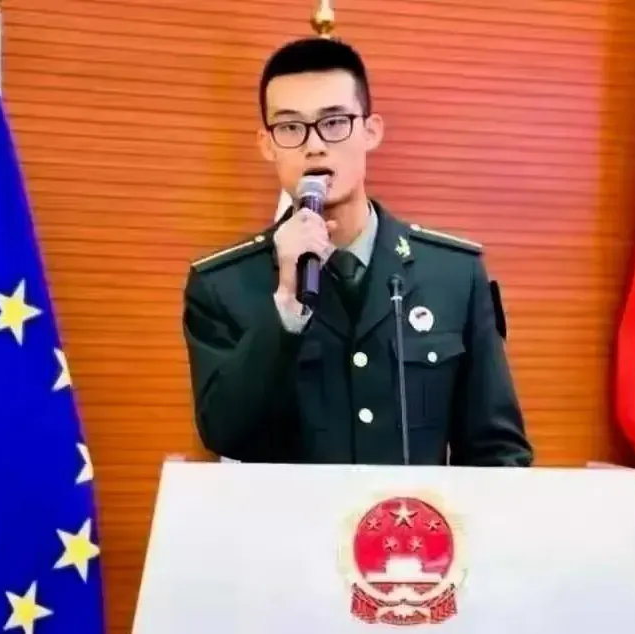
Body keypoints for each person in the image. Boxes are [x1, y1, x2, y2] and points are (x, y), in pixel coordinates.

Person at [181, 37, 533, 467]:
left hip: (410, 513)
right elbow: (224, 434)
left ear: (371, 131)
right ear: (266, 144)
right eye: (290, 128)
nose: (314, 145)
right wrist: (285, 309)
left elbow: (497, 451)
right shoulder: (222, 286)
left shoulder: (454, 275)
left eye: (334, 123)